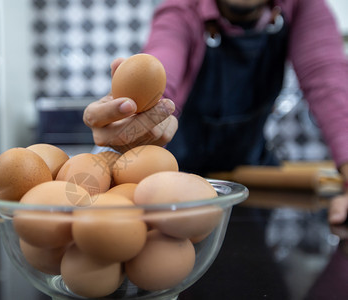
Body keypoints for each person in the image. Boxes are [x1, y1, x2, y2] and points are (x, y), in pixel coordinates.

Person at [83, 0, 348, 224]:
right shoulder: (182, 10)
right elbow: (162, 68)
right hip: (177, 189)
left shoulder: (302, 8)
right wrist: (141, 112)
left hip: (251, 182)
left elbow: (331, 89)